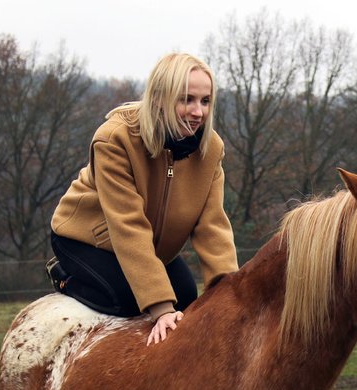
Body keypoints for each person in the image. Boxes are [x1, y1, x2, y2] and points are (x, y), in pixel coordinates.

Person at [47, 53, 238, 345]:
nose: (198, 111)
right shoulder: (115, 139)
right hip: (89, 241)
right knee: (131, 299)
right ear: (160, 98)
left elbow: (212, 225)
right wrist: (159, 307)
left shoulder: (210, 150)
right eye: (186, 99)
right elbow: (127, 225)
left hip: (154, 248)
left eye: (205, 101)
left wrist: (229, 294)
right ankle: (64, 277)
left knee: (186, 297)